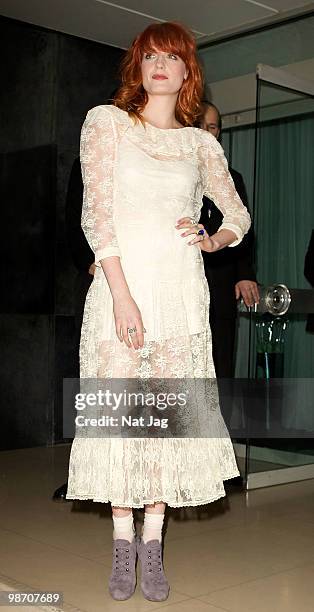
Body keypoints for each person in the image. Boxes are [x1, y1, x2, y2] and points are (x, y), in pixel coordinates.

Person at [65, 21, 251, 602]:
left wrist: (212, 238)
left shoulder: (202, 144)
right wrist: (121, 294)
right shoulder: (107, 123)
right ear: (138, 67)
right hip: (123, 290)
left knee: (166, 425)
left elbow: (238, 217)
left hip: (181, 297)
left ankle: (154, 546)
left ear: (187, 71)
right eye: (150, 56)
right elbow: (96, 215)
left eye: (172, 57)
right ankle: (122, 550)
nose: (160, 65)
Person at [199, 101, 259, 380]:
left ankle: (220, 422)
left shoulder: (233, 177)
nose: (207, 131)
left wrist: (245, 275)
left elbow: (244, 228)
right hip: (184, 275)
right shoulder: (176, 170)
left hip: (222, 278)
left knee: (222, 358)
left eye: (212, 126)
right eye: (201, 125)